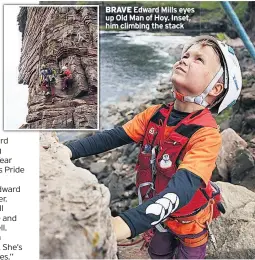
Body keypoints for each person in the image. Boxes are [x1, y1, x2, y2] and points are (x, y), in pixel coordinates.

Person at [63, 35, 242, 259]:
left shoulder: (206, 134)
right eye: (185, 55)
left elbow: (182, 188)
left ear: (216, 88)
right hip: (157, 219)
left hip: (189, 222)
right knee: (158, 253)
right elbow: (114, 136)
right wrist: (68, 150)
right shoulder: (155, 115)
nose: (184, 60)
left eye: (198, 59)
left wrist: (123, 224)